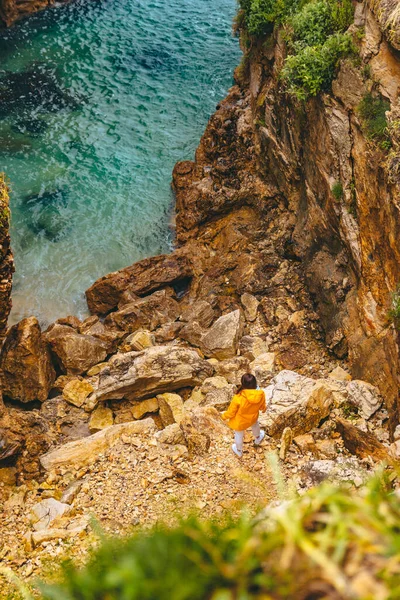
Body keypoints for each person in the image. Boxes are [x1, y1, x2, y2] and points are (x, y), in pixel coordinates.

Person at [221, 373, 266, 458]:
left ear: (243, 384)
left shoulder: (238, 397)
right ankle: (258, 438)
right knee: (255, 425)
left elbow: (231, 412)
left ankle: (239, 451)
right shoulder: (260, 393)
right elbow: (262, 406)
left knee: (239, 435)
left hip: (240, 421)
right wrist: (264, 409)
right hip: (253, 417)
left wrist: (223, 416)